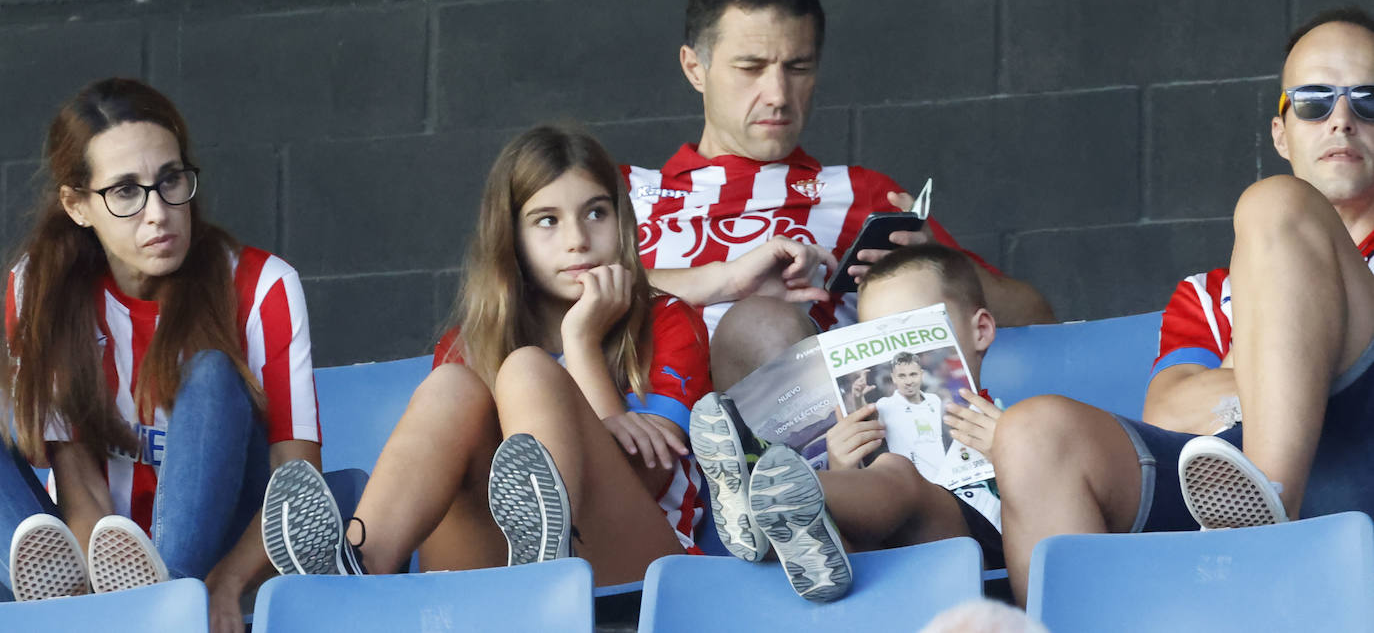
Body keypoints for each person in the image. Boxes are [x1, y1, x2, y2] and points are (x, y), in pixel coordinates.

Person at [991, 7, 1374, 605]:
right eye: (1313, 102)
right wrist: (1291, 367)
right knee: (1031, 433)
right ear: (1282, 132)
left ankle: (1269, 515)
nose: (1342, 121)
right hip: (1223, 490)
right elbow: (1171, 414)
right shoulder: (1207, 290)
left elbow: (1208, 403)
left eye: (1368, 100)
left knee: (1277, 205)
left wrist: (1262, 364)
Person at [260, 124, 711, 586]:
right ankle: (353, 569)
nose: (577, 238)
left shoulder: (669, 321)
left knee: (527, 370)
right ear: (511, 238)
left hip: (639, 569)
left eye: (596, 213)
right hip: (494, 568)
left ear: (622, 221)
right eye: (547, 220)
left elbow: (651, 479)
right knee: (452, 385)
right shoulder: (468, 346)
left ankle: (547, 555)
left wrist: (582, 342)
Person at [623, 0, 1053, 389]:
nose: (777, 93)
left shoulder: (863, 194)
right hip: (646, 433)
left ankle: (772, 459)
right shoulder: (619, 193)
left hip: (826, 445)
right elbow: (560, 298)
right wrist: (722, 282)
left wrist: (938, 266)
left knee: (764, 320)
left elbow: (1036, 319)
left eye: (798, 68)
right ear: (696, 68)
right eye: (750, 68)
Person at [0, 78, 319, 633]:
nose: (158, 212)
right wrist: (105, 599)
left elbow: (298, 480)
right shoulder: (38, 290)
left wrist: (226, 582)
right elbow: (80, 491)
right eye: (125, 191)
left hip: (219, 555)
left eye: (170, 180)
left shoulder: (262, 285)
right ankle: (73, 598)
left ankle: (166, 592)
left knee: (214, 369)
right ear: (77, 205)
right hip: (94, 551)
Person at [690, 243, 1005, 602]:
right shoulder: (875, 412)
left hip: (976, 559)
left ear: (980, 329)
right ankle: (789, 501)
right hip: (879, 574)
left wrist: (1009, 454)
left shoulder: (1012, 426)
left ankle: (762, 485)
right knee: (839, 519)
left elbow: (1040, 510)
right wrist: (844, 464)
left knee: (896, 470)